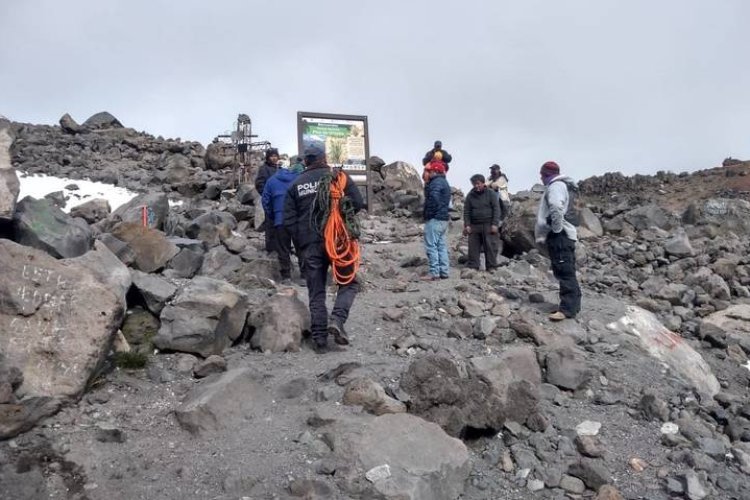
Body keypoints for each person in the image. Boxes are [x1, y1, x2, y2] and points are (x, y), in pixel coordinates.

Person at [283, 145, 365, 353]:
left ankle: (320, 341)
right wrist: (342, 216)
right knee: (350, 282)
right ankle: (337, 319)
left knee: (316, 290)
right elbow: (357, 202)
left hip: (310, 245)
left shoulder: (295, 185)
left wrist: (300, 244)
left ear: (306, 161)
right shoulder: (338, 177)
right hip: (338, 241)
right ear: (324, 158)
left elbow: (289, 221)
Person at [534, 161, 582, 321]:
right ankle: (573, 305)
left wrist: (556, 229)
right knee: (566, 269)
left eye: (542, 174)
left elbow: (555, 207)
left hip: (560, 235)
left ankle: (567, 309)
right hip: (565, 235)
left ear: (546, 174)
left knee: (564, 271)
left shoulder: (556, 186)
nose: (540, 177)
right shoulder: (563, 186)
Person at [262, 159, 303, 282]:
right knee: (301, 247)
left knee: (283, 248)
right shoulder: (298, 179)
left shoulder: (271, 181)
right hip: (296, 219)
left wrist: (273, 215)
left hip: (280, 220)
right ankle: (304, 277)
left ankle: (286, 277)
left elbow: (265, 201)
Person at [463, 174, 502, 271]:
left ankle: (491, 267)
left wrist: (495, 224)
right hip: (474, 225)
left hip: (489, 224)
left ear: (483, 183)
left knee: (490, 246)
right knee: (473, 247)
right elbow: (467, 211)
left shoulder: (491, 193)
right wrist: (467, 225)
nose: (476, 186)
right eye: (474, 184)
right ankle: (473, 266)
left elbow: (496, 209)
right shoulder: (470, 196)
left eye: (478, 184)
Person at [422, 163, 452, 280]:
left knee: (431, 245)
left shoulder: (435, 183)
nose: (427, 173)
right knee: (441, 246)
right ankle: (444, 271)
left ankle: (434, 273)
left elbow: (433, 198)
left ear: (434, 171)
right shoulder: (445, 182)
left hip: (435, 218)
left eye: (429, 171)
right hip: (443, 218)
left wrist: (428, 213)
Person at [255, 147, 280, 252]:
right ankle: (270, 249)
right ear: (268, 157)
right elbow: (259, 184)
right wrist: (267, 196)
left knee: (280, 225)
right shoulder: (264, 169)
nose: (274, 158)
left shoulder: (278, 168)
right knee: (270, 225)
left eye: (275, 156)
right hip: (270, 201)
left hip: (279, 202)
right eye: (272, 156)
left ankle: (279, 247)